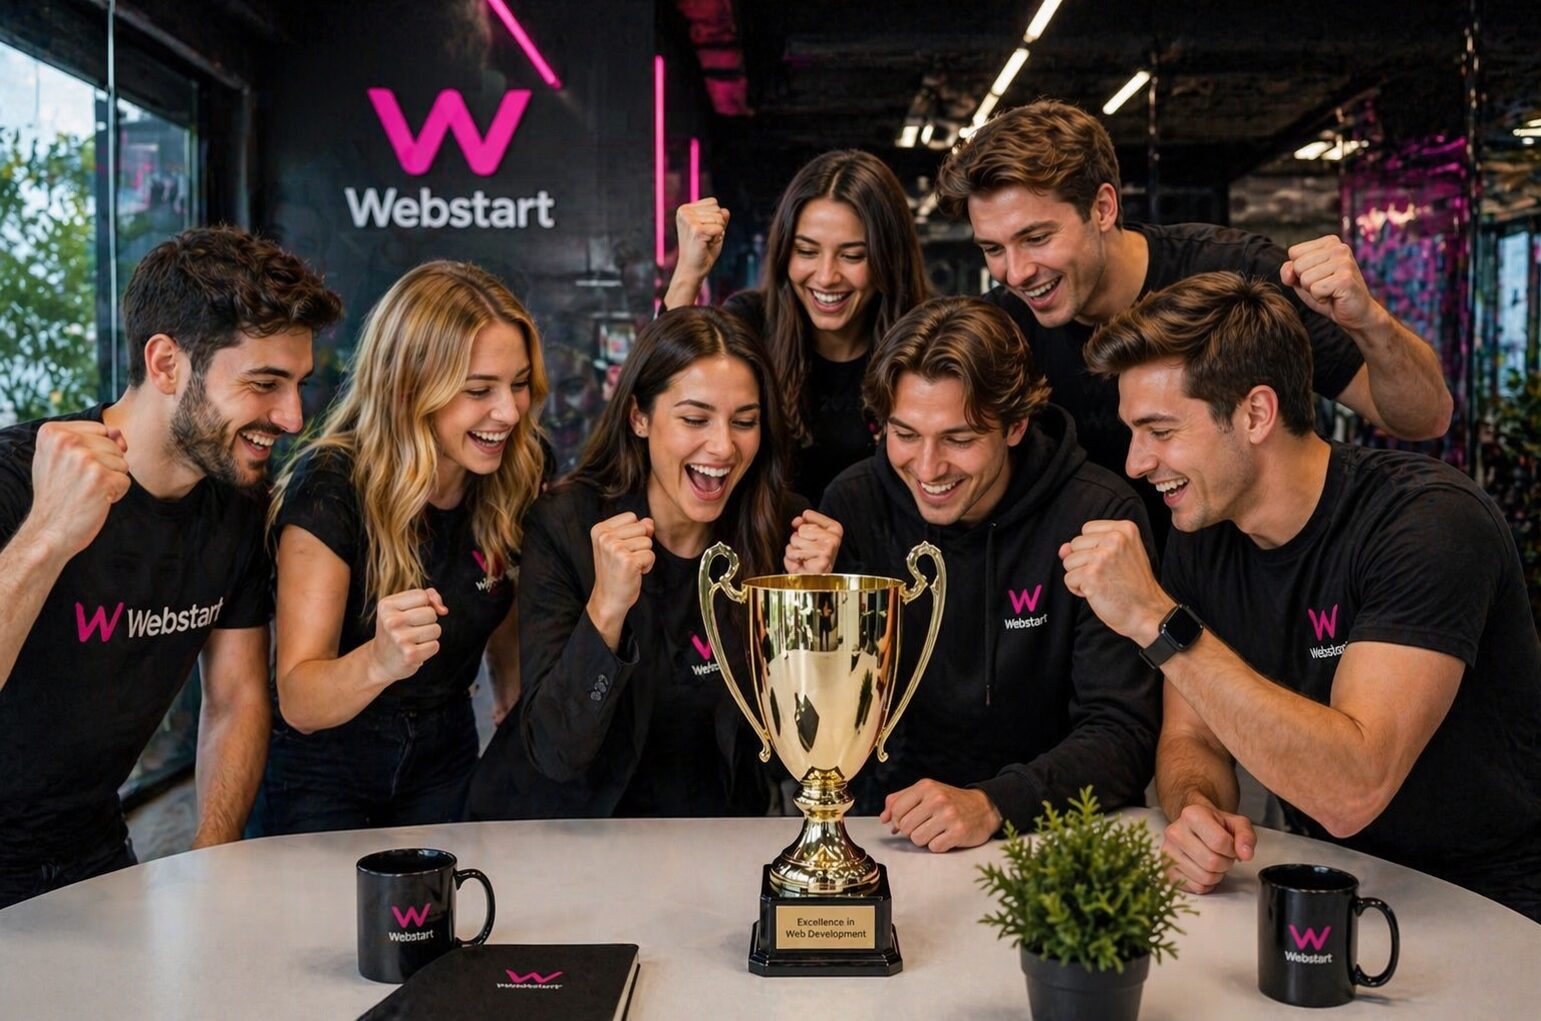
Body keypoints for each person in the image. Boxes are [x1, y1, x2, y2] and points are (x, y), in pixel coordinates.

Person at [1065, 271, 1541, 920]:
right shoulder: (1201, 531)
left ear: (1255, 413)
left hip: (1493, 899)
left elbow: (1352, 789)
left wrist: (1153, 618)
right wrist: (1197, 807)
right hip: (1327, 879)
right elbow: (1191, 738)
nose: (1135, 463)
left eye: (1160, 430)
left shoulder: (1426, 523)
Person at [0, 225, 340, 908]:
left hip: (92, 843)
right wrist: (45, 536)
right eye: (264, 383)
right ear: (165, 363)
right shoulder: (17, 477)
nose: (293, 414)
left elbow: (237, 695)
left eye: (298, 384)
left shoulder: (237, 504)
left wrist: (211, 854)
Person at [934, 99, 1453, 539]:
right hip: (1105, 613)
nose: (1017, 272)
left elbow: (1423, 418)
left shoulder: (1238, 274)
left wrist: (1369, 322)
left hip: (1249, 598)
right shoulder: (1003, 335)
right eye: (992, 249)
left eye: (1037, 238)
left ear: (1103, 208)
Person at [467, 306, 842, 819]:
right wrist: (606, 610)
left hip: (709, 837)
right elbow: (557, 749)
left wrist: (814, 610)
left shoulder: (788, 534)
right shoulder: (567, 523)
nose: (723, 446)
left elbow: (805, 760)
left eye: (745, 422)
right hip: (562, 832)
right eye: (694, 419)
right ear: (639, 417)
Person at [819, 296, 1161, 853]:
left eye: (959, 439)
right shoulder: (853, 503)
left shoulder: (1098, 515)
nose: (927, 469)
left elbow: (1123, 735)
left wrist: (994, 803)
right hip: (887, 835)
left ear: (1016, 425)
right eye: (905, 435)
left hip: (1057, 834)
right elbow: (827, 724)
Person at [250, 262, 547, 834]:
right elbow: (300, 699)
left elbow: (502, 601)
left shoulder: (516, 471)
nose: (509, 411)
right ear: (410, 386)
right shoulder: (332, 486)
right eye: (479, 390)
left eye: (518, 383)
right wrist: (379, 661)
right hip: (323, 767)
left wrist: (513, 697)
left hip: (446, 750)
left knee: (438, 920)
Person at [664, 149, 931, 503]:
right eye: (806, 251)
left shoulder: (927, 337)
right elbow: (660, 404)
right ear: (784, 252)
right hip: (766, 550)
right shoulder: (750, 323)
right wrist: (687, 276)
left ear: (888, 256)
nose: (825, 276)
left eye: (852, 256)